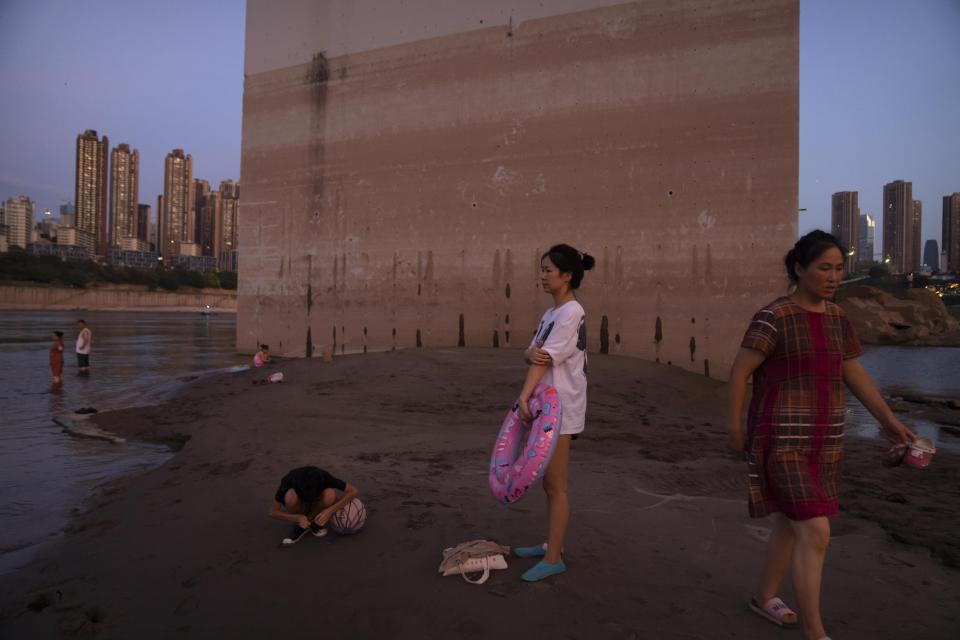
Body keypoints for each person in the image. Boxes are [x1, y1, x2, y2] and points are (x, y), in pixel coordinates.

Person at [727, 230, 916, 640]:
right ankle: (816, 632)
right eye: (824, 268)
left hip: (825, 439)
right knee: (815, 529)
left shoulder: (837, 317)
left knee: (790, 523)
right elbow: (740, 372)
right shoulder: (773, 316)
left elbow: (852, 371)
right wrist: (734, 426)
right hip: (780, 439)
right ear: (799, 268)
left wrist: (887, 420)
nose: (833, 277)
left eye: (838, 269)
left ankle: (764, 597)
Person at [512, 243, 594, 582]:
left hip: (561, 408)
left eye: (548, 270)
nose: (543, 276)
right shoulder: (551, 314)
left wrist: (522, 397)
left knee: (556, 485)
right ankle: (551, 544)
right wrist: (533, 360)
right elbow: (530, 354)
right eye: (542, 270)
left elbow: (541, 357)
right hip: (547, 405)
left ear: (567, 275)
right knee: (548, 483)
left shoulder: (572, 312)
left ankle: (553, 557)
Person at [268, 466, 359, 546]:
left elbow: (353, 491)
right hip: (299, 507)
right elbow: (273, 512)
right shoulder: (290, 479)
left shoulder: (324, 476)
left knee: (330, 494)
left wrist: (329, 511)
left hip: (316, 507)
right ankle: (301, 523)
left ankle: (311, 521)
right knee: (290, 496)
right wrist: (296, 518)